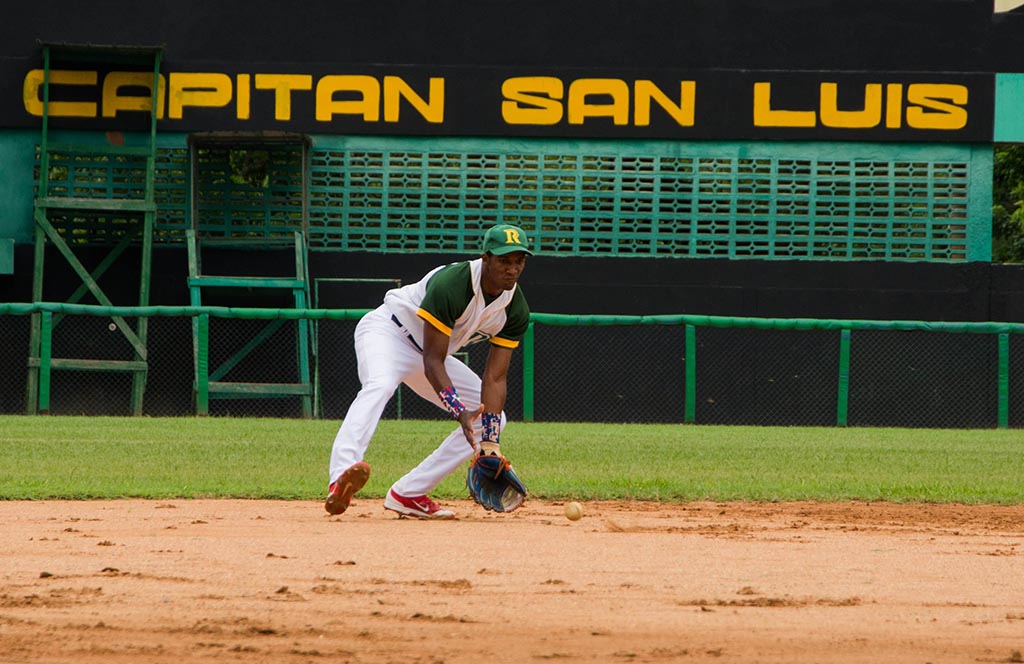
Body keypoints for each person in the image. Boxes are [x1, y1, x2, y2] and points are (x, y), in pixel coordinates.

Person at [325, 223, 533, 519]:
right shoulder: (454, 283)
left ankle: (408, 493)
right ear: (485, 258)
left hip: (429, 353)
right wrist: (457, 408)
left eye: (519, 261)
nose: (512, 269)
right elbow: (433, 362)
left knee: (493, 418)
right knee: (380, 385)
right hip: (389, 333)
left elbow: (495, 377)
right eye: (503, 260)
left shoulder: (514, 308)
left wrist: (489, 442)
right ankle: (341, 474)